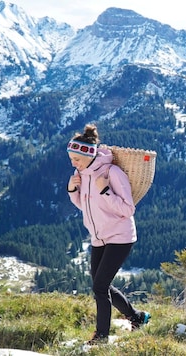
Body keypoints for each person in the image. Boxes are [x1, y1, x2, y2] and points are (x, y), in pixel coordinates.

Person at [66, 124, 150, 344]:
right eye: (71, 159)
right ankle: (137, 318)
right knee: (102, 286)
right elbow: (85, 206)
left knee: (100, 287)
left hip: (120, 237)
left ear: (89, 154)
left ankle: (102, 336)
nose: (73, 164)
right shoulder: (82, 174)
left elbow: (127, 209)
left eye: (76, 159)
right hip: (99, 237)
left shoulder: (112, 173)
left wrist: (105, 190)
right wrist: (72, 189)